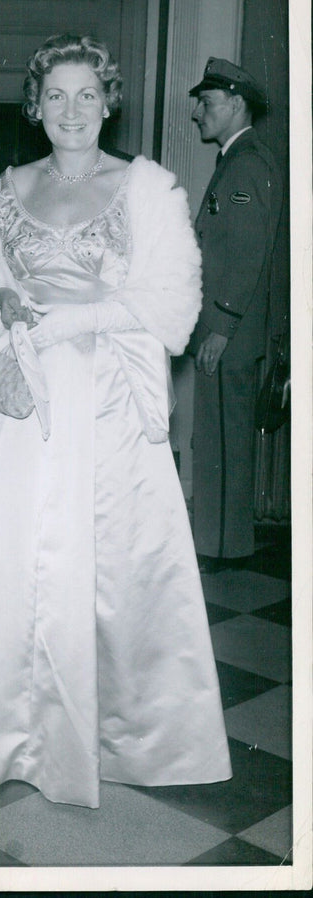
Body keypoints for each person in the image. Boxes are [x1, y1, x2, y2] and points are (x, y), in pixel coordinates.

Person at [0, 34, 232, 808]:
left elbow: (170, 304)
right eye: (55, 97)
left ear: (110, 101)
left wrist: (75, 323)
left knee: (107, 562)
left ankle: (113, 735)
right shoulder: (5, 190)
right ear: (36, 107)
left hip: (108, 403)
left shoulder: (147, 188)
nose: (72, 111)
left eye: (86, 96)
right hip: (23, 397)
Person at [187, 57, 283, 573]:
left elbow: (246, 254)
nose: (199, 112)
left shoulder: (246, 164)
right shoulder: (236, 159)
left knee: (223, 439)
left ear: (236, 102)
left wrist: (220, 326)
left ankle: (220, 548)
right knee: (220, 436)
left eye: (208, 102)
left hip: (230, 331)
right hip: (227, 328)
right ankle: (221, 542)